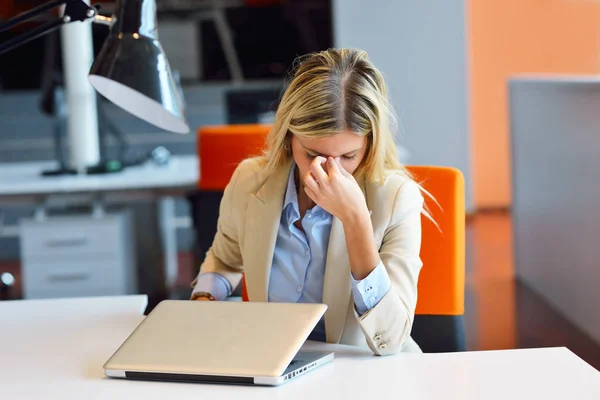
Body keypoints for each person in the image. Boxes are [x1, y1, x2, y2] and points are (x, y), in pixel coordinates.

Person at [190, 48, 424, 355]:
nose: (329, 170)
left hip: (361, 370)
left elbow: (390, 339)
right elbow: (225, 260)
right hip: (272, 361)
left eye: (348, 156)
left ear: (370, 144)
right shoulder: (250, 181)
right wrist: (203, 302)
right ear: (289, 138)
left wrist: (356, 221)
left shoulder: (397, 199)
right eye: (312, 154)